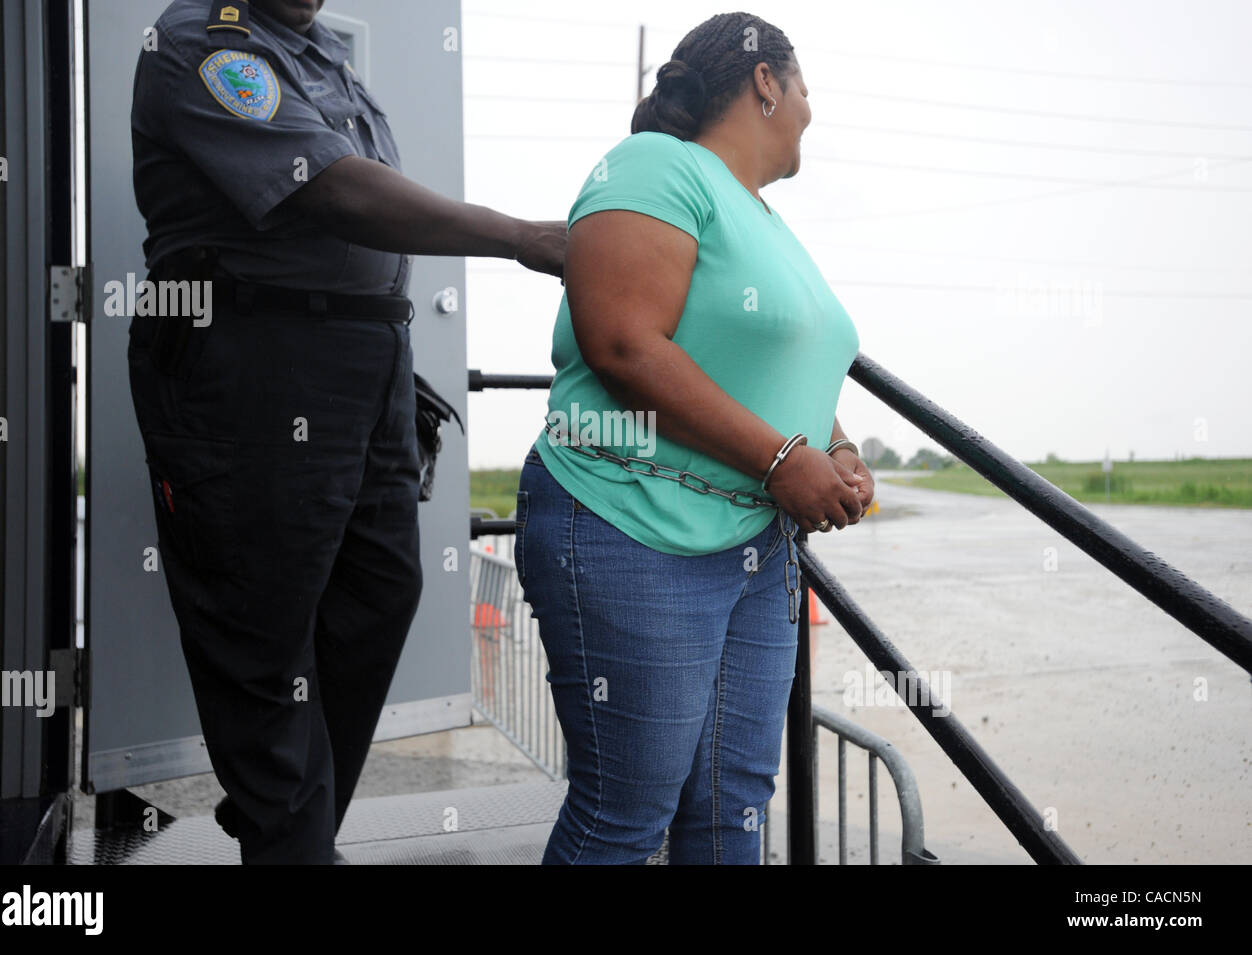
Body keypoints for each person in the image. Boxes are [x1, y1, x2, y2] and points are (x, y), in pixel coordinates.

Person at [126, 0, 564, 864]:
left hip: (366, 354)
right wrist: (518, 237)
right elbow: (332, 187)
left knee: (383, 588)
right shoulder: (205, 45)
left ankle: (282, 816)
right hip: (255, 360)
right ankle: (292, 838)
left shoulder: (322, 52)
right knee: (262, 623)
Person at [514, 12, 875, 865]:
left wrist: (839, 446)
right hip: (630, 522)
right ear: (765, 82)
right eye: (807, 88)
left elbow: (769, 364)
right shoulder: (655, 167)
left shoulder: (766, 224)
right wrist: (785, 458)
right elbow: (624, 343)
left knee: (731, 809)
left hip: (752, 548)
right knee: (624, 813)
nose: (811, 110)